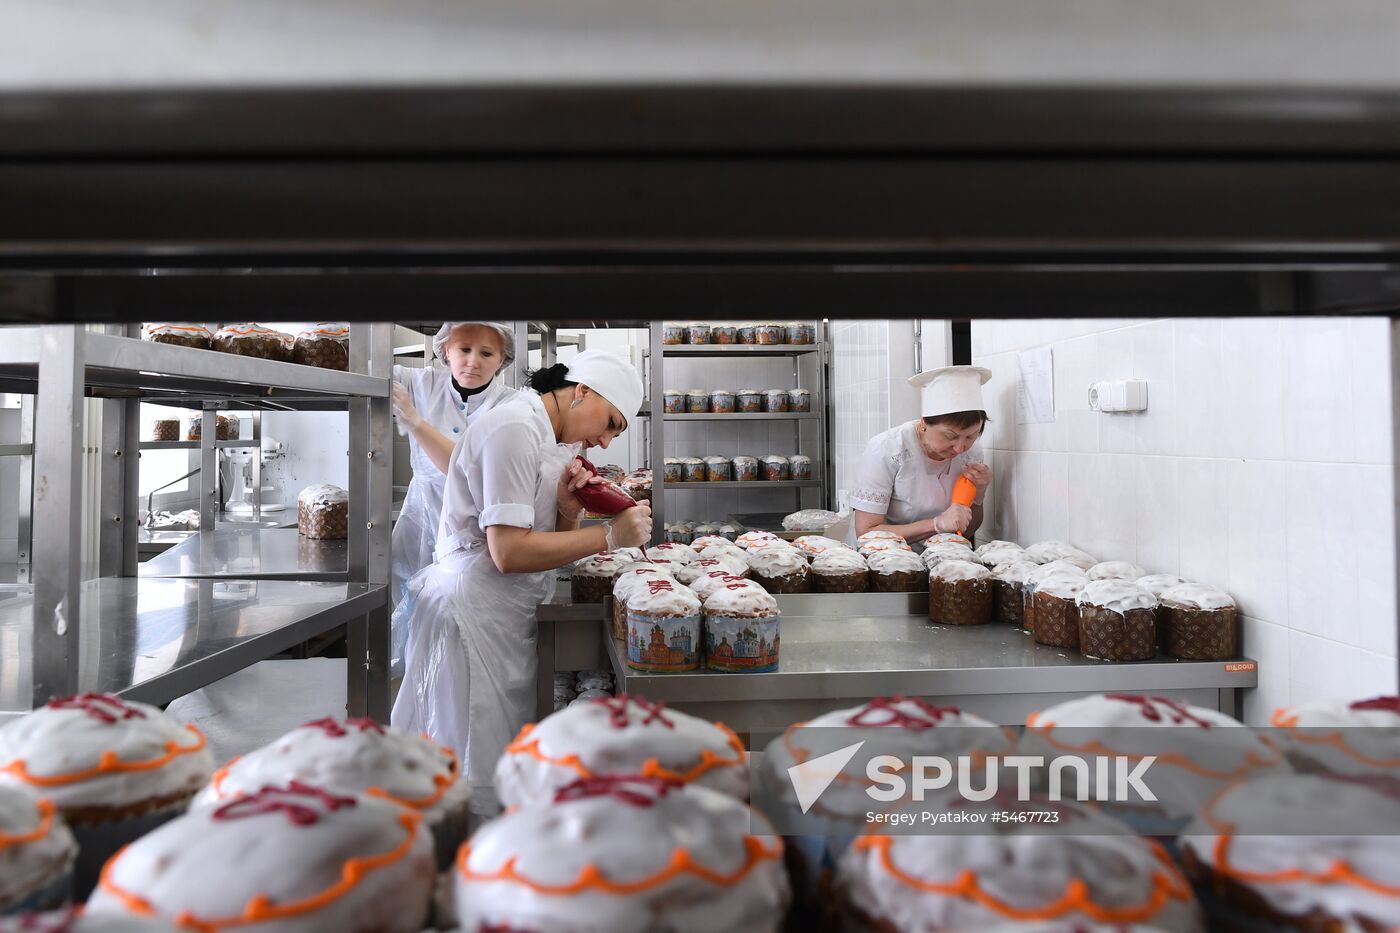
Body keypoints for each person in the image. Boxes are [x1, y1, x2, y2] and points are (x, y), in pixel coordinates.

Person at [391, 349, 651, 816]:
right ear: (583, 391)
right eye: (611, 423)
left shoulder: (554, 438)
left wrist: (570, 509)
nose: (607, 441)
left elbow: (548, 544)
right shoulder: (514, 428)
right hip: (472, 618)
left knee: (500, 766)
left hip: (507, 616)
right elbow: (508, 552)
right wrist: (610, 536)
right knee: (471, 776)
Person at [390, 322, 516, 615]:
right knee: (409, 613)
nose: (473, 362)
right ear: (446, 349)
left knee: (464, 616)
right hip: (420, 521)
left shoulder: (511, 405)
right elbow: (362, 366)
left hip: (478, 531)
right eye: (464, 349)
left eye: (486, 353)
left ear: (502, 359)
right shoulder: (420, 384)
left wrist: (413, 420)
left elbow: (465, 470)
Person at [850, 365, 994, 544]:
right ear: (924, 422)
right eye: (951, 436)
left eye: (971, 436)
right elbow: (866, 533)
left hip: (944, 560)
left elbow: (965, 530)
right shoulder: (886, 450)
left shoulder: (971, 454)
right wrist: (936, 524)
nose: (959, 448)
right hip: (887, 562)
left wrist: (979, 496)